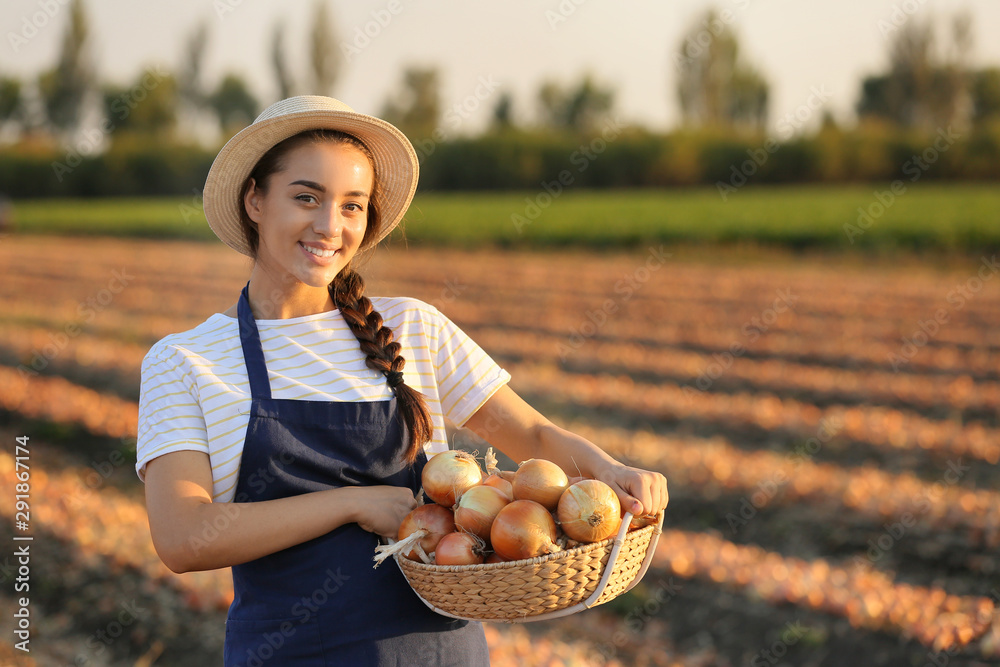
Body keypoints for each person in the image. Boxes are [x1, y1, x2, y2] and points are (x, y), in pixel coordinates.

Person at [136, 95, 669, 667]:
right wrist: (351, 505)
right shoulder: (187, 361)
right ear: (255, 200)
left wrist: (611, 471)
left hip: (440, 654)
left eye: (352, 206)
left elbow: (534, 437)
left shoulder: (412, 328)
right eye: (306, 197)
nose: (328, 225)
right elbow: (184, 538)